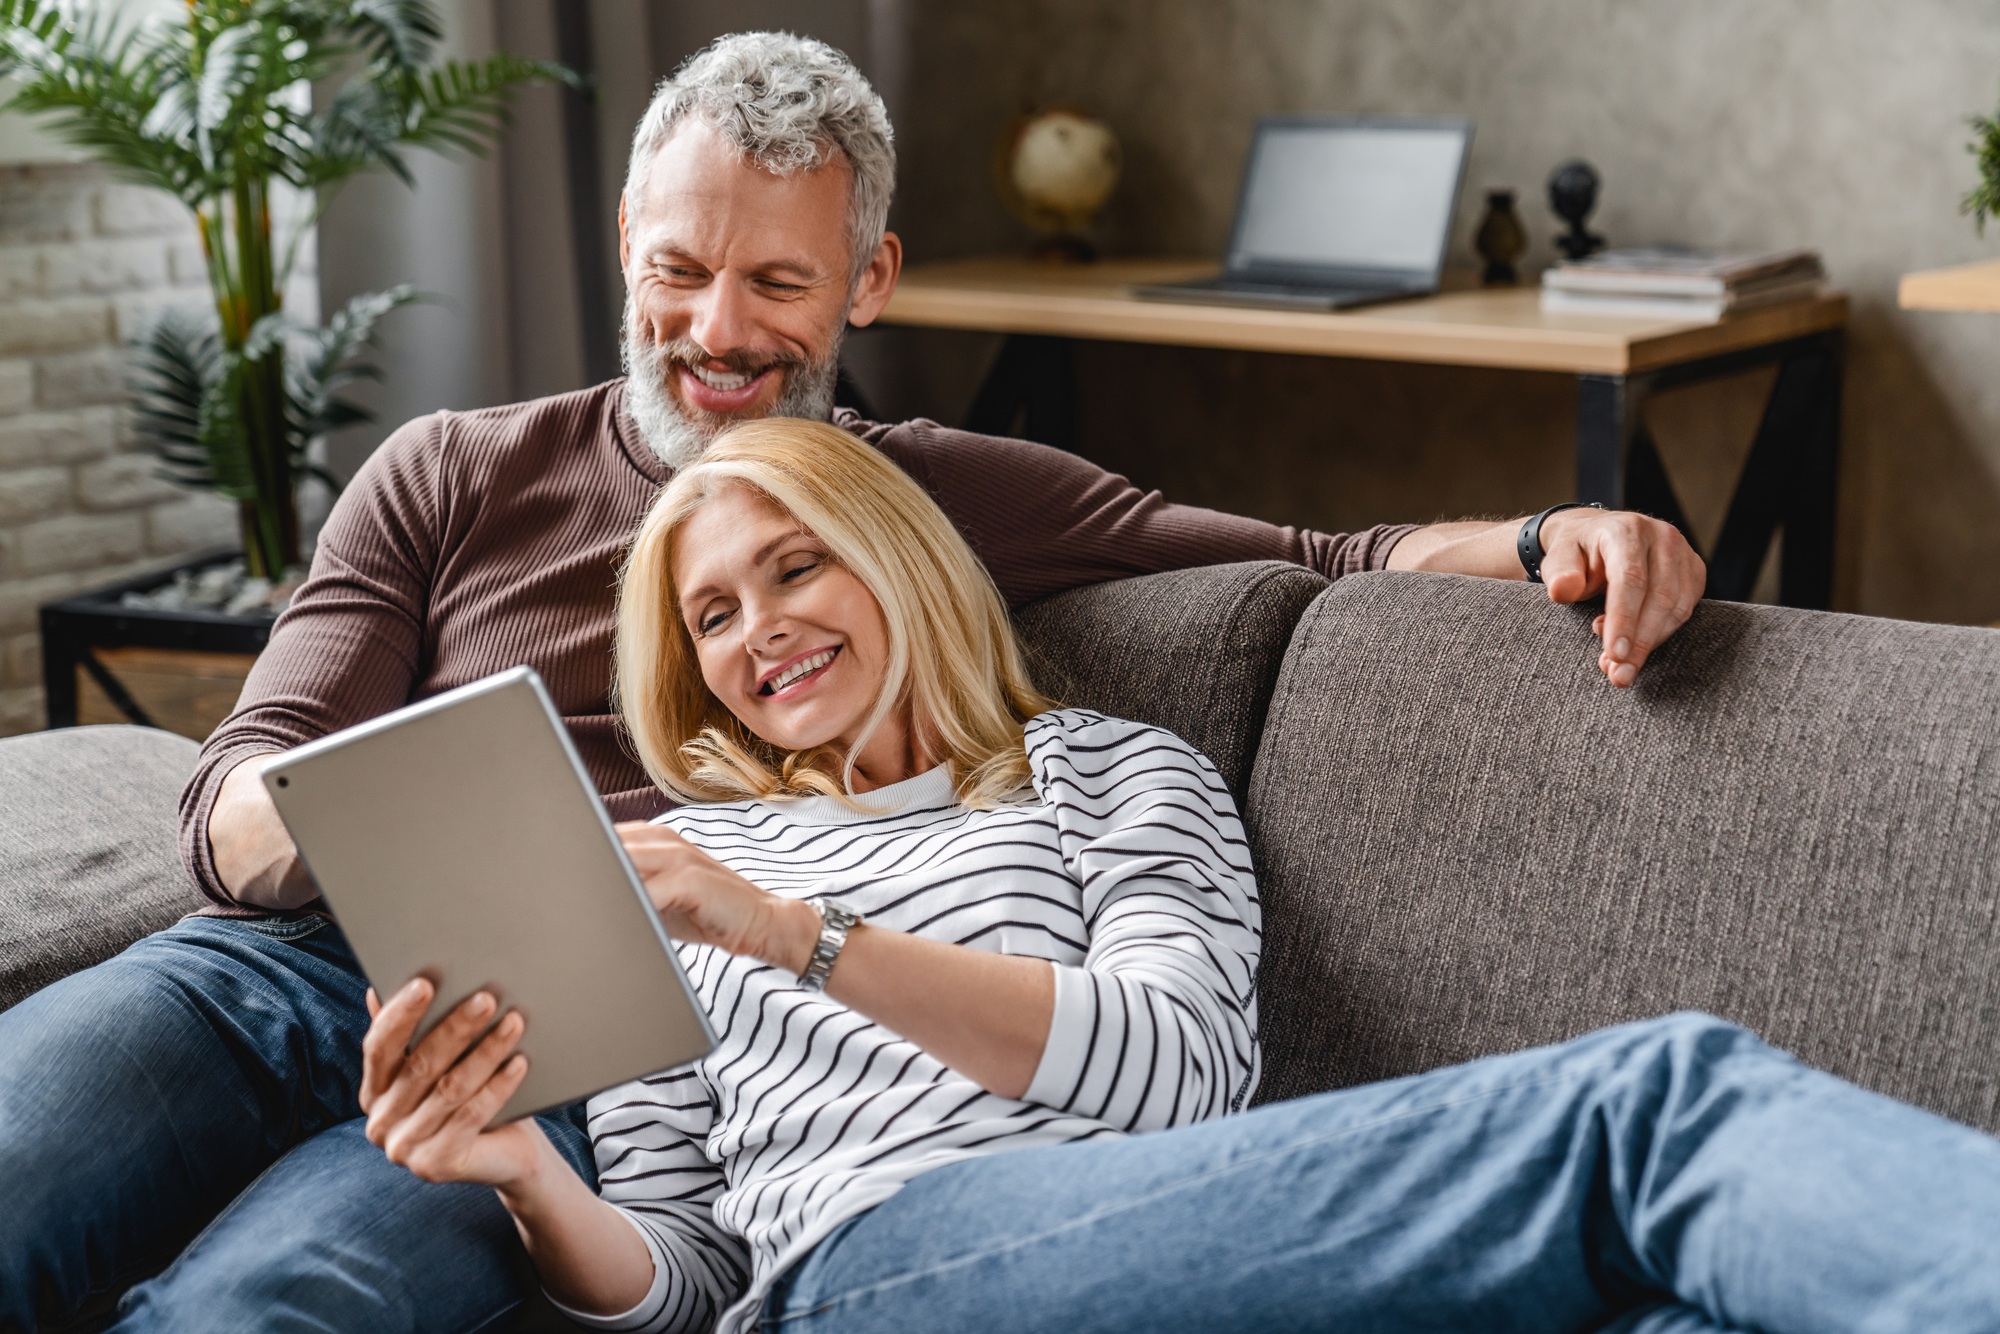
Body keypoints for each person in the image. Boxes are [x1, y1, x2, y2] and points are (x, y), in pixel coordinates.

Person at [0, 31, 1707, 1334]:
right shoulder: (451, 468)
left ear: (868, 283)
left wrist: (1568, 525)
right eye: (677, 267)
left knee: (269, 1305)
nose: (715, 328)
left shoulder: (922, 499)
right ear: (622, 244)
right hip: (276, 966)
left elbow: (1316, 555)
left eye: (777, 281)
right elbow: (233, 800)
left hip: (567, 1047)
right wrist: (356, 830)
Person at [358, 416, 2000, 1334]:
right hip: (860, 1279)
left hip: (1131, 1257)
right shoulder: (686, 864)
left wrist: (800, 937)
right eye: (712, 615)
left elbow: (1175, 1072)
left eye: (797, 563)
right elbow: (686, 1269)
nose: (760, 627)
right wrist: (522, 1172)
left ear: (902, 556)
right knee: (1656, 1102)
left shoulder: (1107, 769)